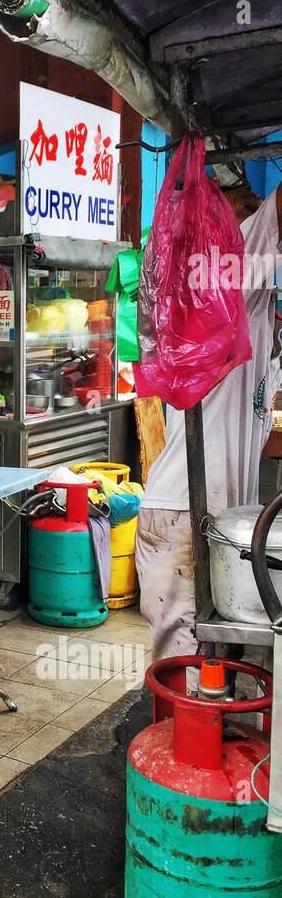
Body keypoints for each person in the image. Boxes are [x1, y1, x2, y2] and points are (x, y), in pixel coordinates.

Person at [136, 177, 282, 661]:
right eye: (242, 212)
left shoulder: (253, 308)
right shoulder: (226, 282)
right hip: (182, 513)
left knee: (225, 661)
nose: (252, 222)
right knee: (189, 673)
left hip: (226, 518)